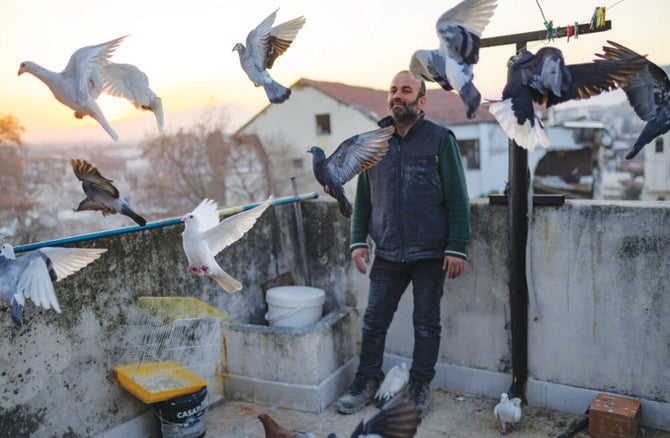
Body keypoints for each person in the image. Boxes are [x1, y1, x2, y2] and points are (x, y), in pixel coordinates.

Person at [335, 71, 471, 418]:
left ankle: (420, 387)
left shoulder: (441, 140)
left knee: (426, 323)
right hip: (388, 252)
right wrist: (357, 241)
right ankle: (366, 381)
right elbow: (364, 198)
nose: (397, 96)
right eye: (393, 90)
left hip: (430, 253)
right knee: (374, 321)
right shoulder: (374, 141)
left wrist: (457, 246)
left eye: (406, 90)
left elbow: (458, 197)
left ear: (421, 101)